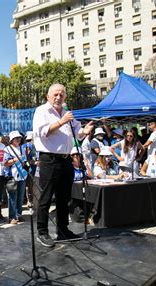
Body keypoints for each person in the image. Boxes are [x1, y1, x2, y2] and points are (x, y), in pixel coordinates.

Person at [32, 83, 94, 247]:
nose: (59, 97)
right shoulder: (42, 111)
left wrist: (84, 132)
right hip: (49, 159)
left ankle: (62, 230)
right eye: (55, 94)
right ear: (48, 96)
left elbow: (76, 135)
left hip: (66, 159)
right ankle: (42, 232)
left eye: (62, 94)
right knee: (46, 197)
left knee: (64, 197)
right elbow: (43, 133)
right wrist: (61, 121)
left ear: (65, 96)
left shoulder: (67, 112)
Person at [4, 131, 28, 224]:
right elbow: (5, 163)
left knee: (21, 196)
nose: (18, 139)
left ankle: (19, 214)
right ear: (11, 140)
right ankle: (12, 217)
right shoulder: (7, 149)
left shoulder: (23, 148)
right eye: (16, 138)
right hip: (12, 176)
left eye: (19, 138)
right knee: (12, 197)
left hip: (22, 175)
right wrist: (16, 159)